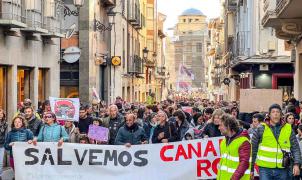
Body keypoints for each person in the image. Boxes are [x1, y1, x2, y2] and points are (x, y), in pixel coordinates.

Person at [251, 104, 301, 180]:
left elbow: (295, 148)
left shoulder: (288, 128)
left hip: (282, 169)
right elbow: (253, 150)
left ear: (281, 114)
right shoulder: (261, 128)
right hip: (265, 169)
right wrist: (251, 169)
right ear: (269, 115)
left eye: (278, 112)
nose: (275, 114)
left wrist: (297, 164)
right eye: (273, 112)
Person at [217, 114, 251, 180]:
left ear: (228, 126)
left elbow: (244, 164)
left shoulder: (244, 142)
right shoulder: (223, 141)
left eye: (221, 125)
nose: (219, 128)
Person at [0, 109, 8, 179]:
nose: (0, 115)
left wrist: (6, 143)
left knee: (0, 162)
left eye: (1, 114)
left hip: (1, 145)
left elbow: (6, 134)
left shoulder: (5, 123)